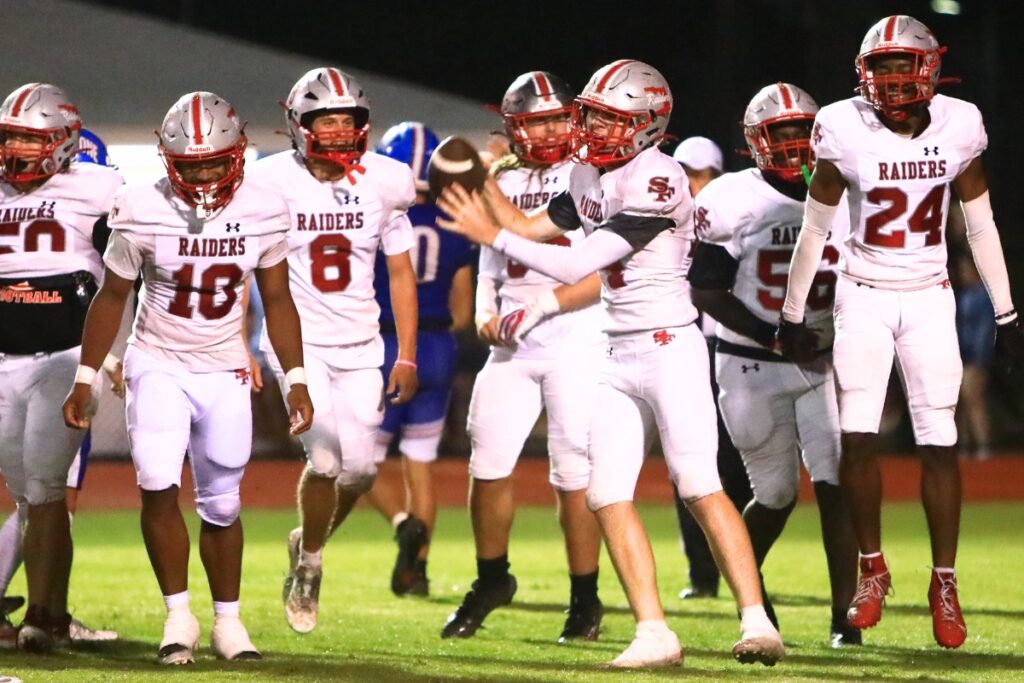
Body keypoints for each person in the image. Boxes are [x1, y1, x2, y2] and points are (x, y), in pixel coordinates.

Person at [438, 59, 784, 669]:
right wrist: (483, 184)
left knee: (700, 486)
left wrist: (487, 237)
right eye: (591, 113)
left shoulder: (660, 177)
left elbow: (578, 264)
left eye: (609, 117)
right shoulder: (585, 174)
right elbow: (526, 225)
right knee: (604, 492)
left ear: (648, 125)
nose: (592, 126)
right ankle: (654, 632)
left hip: (669, 348)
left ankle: (757, 621)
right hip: (613, 351)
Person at [779, 15, 1024, 650]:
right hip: (860, 295)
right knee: (857, 437)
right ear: (863, 73)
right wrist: (791, 309)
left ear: (929, 69)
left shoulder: (959, 123)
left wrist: (1006, 312)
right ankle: (872, 568)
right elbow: (814, 226)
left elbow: (983, 225)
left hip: (929, 298)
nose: (888, 81)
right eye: (878, 67)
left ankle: (944, 581)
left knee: (939, 441)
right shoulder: (841, 125)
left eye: (899, 66)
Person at [62, 91, 313, 664]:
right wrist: (86, 375)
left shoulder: (265, 206)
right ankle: (179, 616)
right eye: (191, 165)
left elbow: (277, 298)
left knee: (223, 503)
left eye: (213, 163)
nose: (202, 177)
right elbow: (112, 296)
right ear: (169, 159)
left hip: (224, 365)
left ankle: (229, 623)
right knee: (156, 482)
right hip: (158, 361)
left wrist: (294, 376)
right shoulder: (139, 204)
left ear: (238, 155)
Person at [688, 82, 859, 646]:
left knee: (837, 484)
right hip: (751, 362)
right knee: (779, 494)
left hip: (825, 361)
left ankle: (846, 617)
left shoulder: (845, 188)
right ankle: (747, 585)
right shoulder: (731, 196)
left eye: (799, 133)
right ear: (755, 141)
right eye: (778, 134)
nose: (791, 145)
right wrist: (774, 336)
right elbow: (707, 290)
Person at [250, 68, 419, 635]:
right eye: (328, 121)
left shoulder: (386, 180)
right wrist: (240, 341)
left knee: (363, 471)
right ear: (299, 126)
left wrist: (407, 353)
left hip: (363, 345)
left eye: (349, 121)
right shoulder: (269, 180)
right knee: (323, 460)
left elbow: (400, 272)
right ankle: (312, 566)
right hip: (301, 345)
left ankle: (306, 538)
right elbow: (246, 267)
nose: (341, 131)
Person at [439, 71, 606, 644]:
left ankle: (585, 597)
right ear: (514, 128)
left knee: (573, 474)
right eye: (537, 121)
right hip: (511, 345)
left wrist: (537, 309)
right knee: (486, 465)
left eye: (558, 118)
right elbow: (490, 260)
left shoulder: (592, 174)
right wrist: (487, 311)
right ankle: (492, 579)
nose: (551, 129)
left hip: (576, 335)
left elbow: (603, 269)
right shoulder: (502, 179)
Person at [0, 84, 124, 652]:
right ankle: (50, 612)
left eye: (30, 137)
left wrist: (113, 354)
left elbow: (130, 277)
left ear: (62, 142)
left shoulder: (100, 188)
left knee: (48, 487)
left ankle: (45, 618)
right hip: (4, 360)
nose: (17, 149)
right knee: (27, 495)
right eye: (11, 136)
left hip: (64, 357)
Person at [364, 121, 474, 597]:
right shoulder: (455, 223)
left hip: (389, 344)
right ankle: (417, 573)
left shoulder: (381, 218)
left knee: (359, 461)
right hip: (438, 348)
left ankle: (402, 523)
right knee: (421, 462)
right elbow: (463, 311)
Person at [669, 134, 753, 603]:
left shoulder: (734, 221)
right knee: (687, 464)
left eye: (700, 174)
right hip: (683, 350)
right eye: (686, 173)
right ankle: (702, 573)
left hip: (729, 346)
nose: (692, 183)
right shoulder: (664, 216)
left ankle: (739, 562)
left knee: (737, 466)